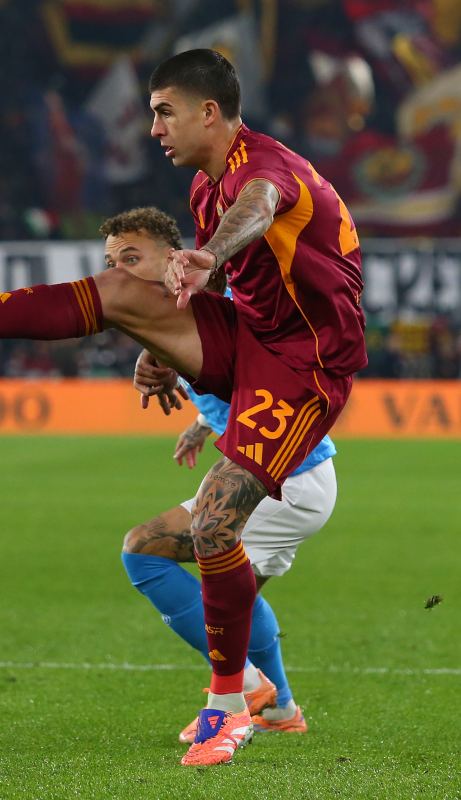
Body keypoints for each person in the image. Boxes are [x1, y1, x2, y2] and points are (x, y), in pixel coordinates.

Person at [0, 49, 365, 765]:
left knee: (213, 526)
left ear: (209, 112)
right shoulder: (208, 188)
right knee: (118, 292)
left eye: (163, 111)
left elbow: (259, 210)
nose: (152, 128)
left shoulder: (264, 170)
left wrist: (209, 255)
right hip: (256, 338)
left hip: (307, 363)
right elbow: (240, 291)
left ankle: (230, 706)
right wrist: (164, 340)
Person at [101, 207, 338, 742]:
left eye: (133, 258)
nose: (120, 271)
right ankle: (280, 709)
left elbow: (259, 363)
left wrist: (160, 358)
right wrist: (201, 424)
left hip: (283, 480)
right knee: (241, 598)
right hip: (302, 475)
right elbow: (235, 381)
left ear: (174, 259)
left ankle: (245, 687)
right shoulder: (178, 320)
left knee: (142, 550)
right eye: (112, 261)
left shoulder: (220, 308)